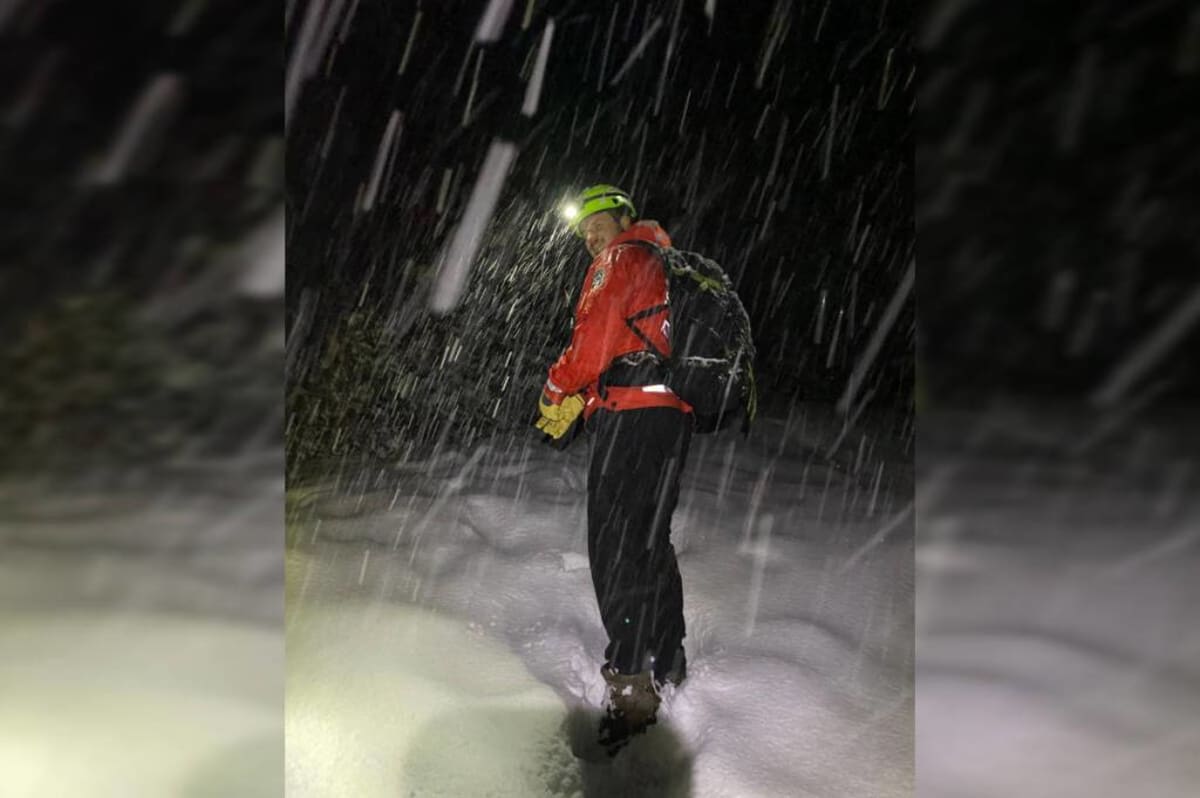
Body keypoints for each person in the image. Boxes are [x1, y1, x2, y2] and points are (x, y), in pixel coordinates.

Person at [535, 184, 693, 739]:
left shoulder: (621, 255)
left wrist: (557, 389)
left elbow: (594, 337)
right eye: (583, 233)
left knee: (615, 548)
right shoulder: (662, 261)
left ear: (623, 217)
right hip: (670, 417)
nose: (589, 237)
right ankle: (668, 655)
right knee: (650, 540)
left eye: (596, 222)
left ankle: (630, 685)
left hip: (629, 418)